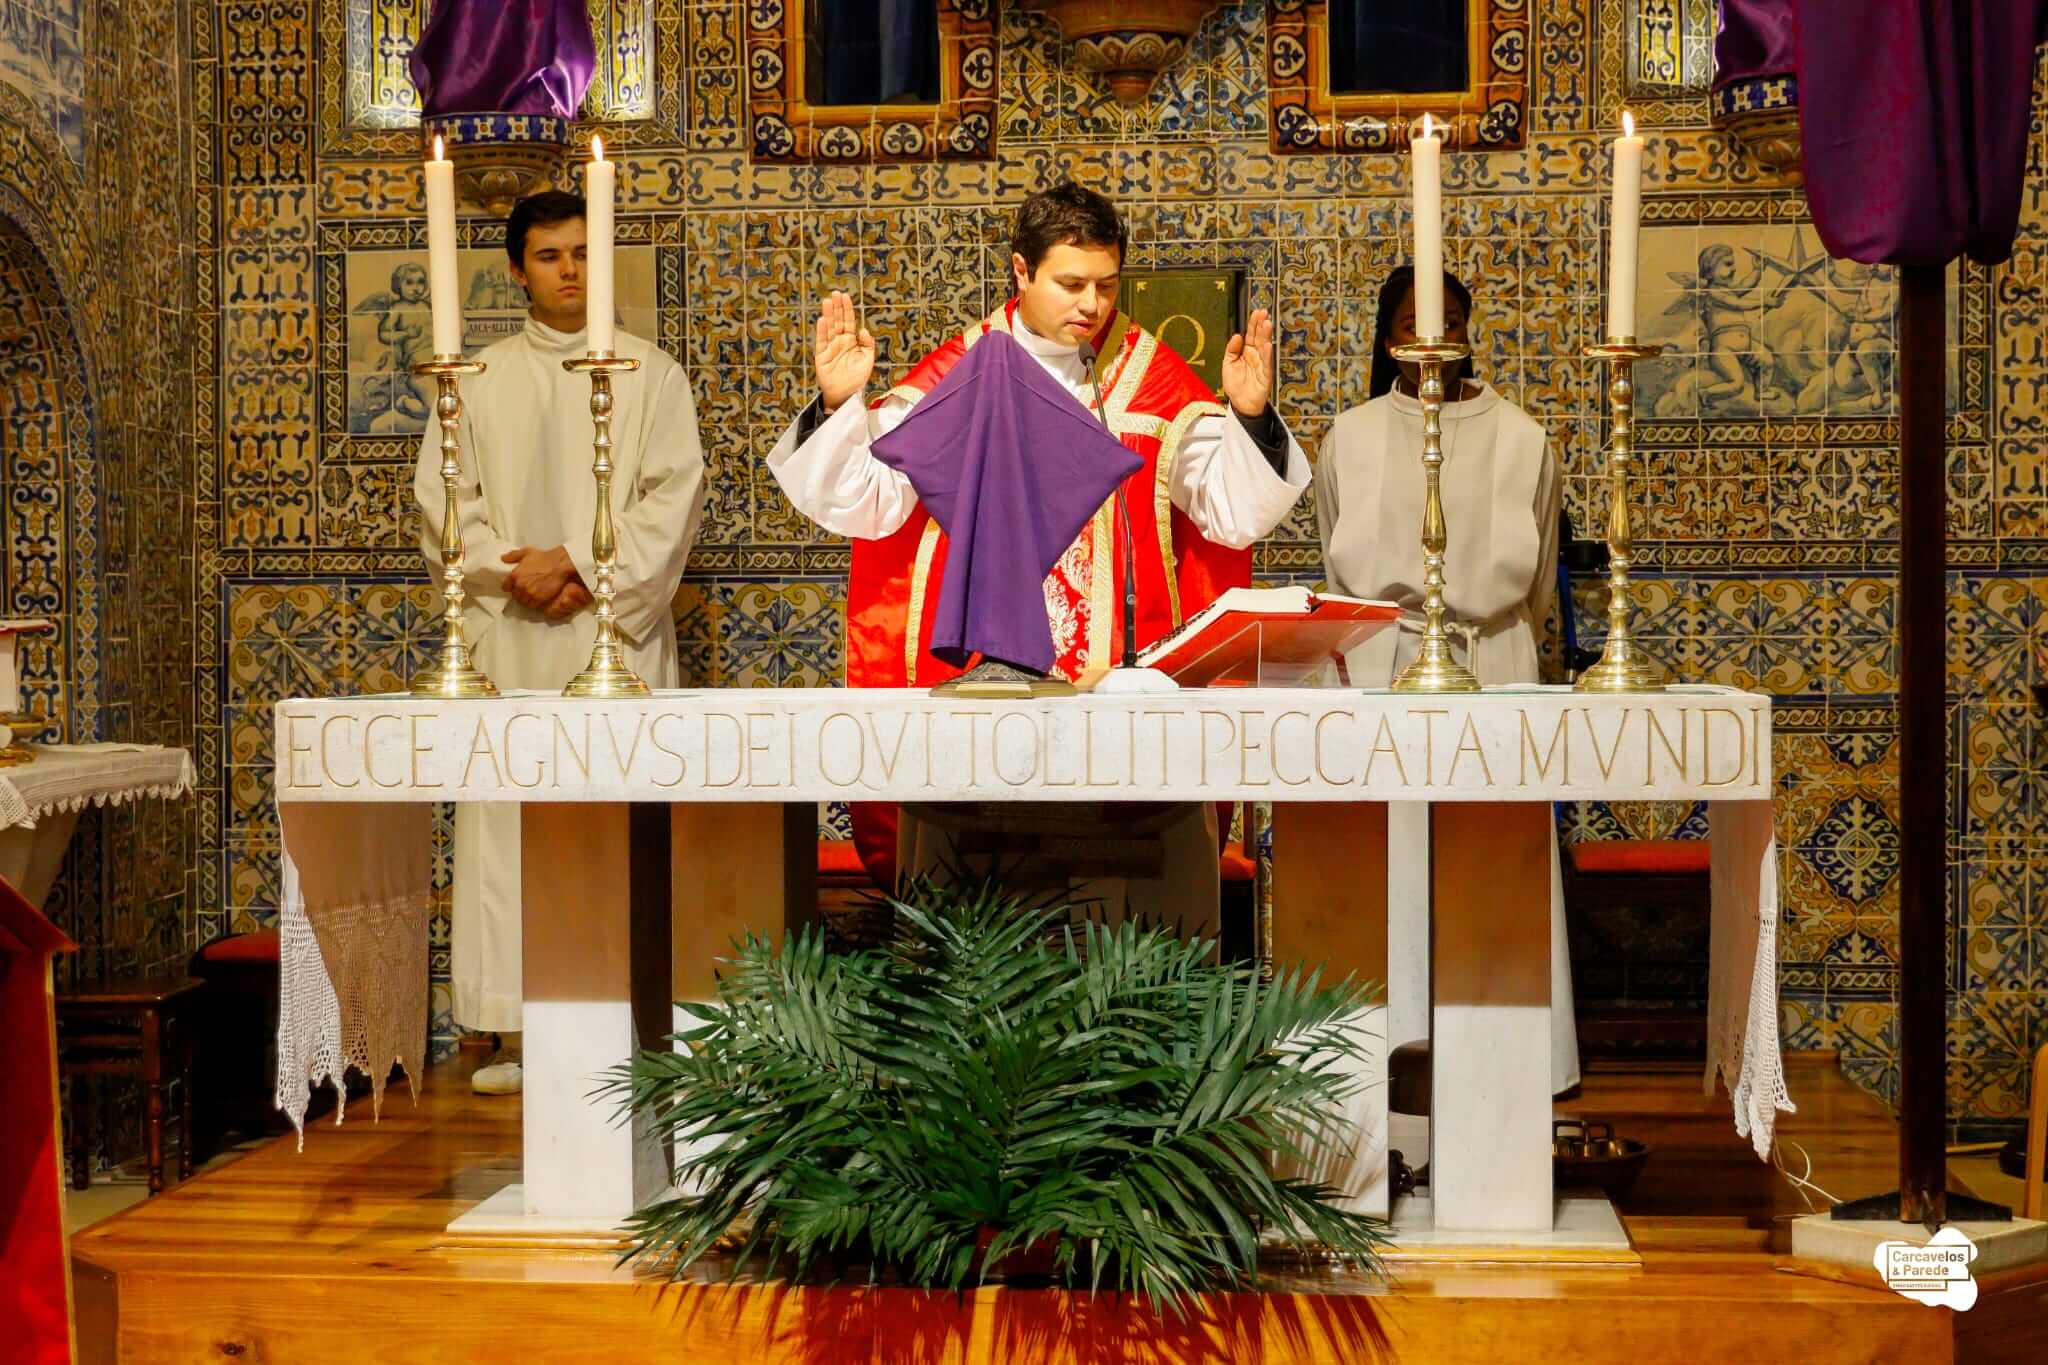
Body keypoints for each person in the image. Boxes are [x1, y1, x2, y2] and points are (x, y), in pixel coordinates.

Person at [766, 181, 1311, 935]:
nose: (1092, 305)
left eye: (1108, 285)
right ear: (1021, 271)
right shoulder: (963, 373)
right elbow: (866, 503)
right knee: (988, 926)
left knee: (1120, 927)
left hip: (1117, 708)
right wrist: (838, 407)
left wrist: (1248, 417)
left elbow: (1231, 513)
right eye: (1071, 283)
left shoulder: (1148, 379)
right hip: (983, 705)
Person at [414, 190, 707, 1094]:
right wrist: (520, 575)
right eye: (549, 255)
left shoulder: (652, 373)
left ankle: (633, 1021)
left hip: (613, 639)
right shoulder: (479, 377)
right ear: (516, 269)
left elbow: (674, 496)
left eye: (583, 251)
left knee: (617, 825)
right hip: (512, 639)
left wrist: (575, 563)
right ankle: (520, 1032)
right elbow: (443, 502)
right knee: (514, 832)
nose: (571, 270)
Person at [1314, 264, 1579, 1095]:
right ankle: (1381, 1056)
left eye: (1452, 321)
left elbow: (1538, 583)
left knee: (1496, 862)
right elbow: (1334, 556)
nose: (1435, 337)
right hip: (1382, 662)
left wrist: (1500, 640)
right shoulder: (1349, 437)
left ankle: (1510, 1062)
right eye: (1413, 322)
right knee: (1384, 870)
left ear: (1469, 331)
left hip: (1491, 657)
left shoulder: (1523, 437)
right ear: (1386, 337)